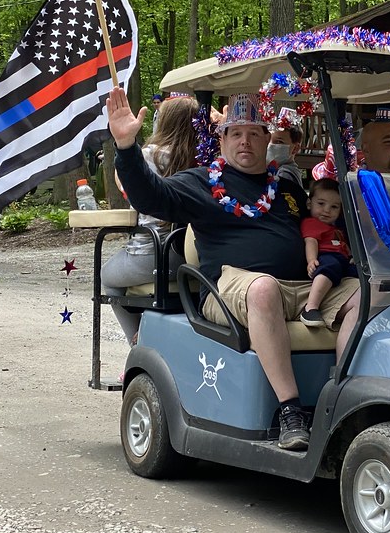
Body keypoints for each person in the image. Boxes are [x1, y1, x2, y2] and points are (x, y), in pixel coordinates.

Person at [108, 87, 360, 452]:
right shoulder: (200, 182)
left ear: (266, 139)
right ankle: (291, 411)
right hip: (230, 290)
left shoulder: (285, 185)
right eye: (236, 133)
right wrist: (127, 148)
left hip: (300, 286)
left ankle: (341, 396)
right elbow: (151, 197)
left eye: (254, 133)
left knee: (365, 293)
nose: (245, 141)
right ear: (223, 138)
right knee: (263, 289)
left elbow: (317, 222)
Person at [102, 95, 200, 345]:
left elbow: (134, 195)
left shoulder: (149, 155)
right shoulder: (204, 155)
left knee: (107, 277)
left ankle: (136, 342)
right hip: (194, 257)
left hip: (155, 253)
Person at [300, 178, 356, 327]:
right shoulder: (312, 223)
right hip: (325, 256)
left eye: (334, 207)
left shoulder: (336, 229)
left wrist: (351, 256)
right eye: (321, 204)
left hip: (342, 259)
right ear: (309, 203)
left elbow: (343, 245)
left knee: (358, 271)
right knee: (330, 266)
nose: (327, 210)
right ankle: (311, 307)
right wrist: (311, 260)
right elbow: (311, 241)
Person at [267, 114, 304, 187]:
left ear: (295, 148)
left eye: (278, 142)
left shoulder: (285, 175)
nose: (270, 145)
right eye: (267, 140)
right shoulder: (274, 170)